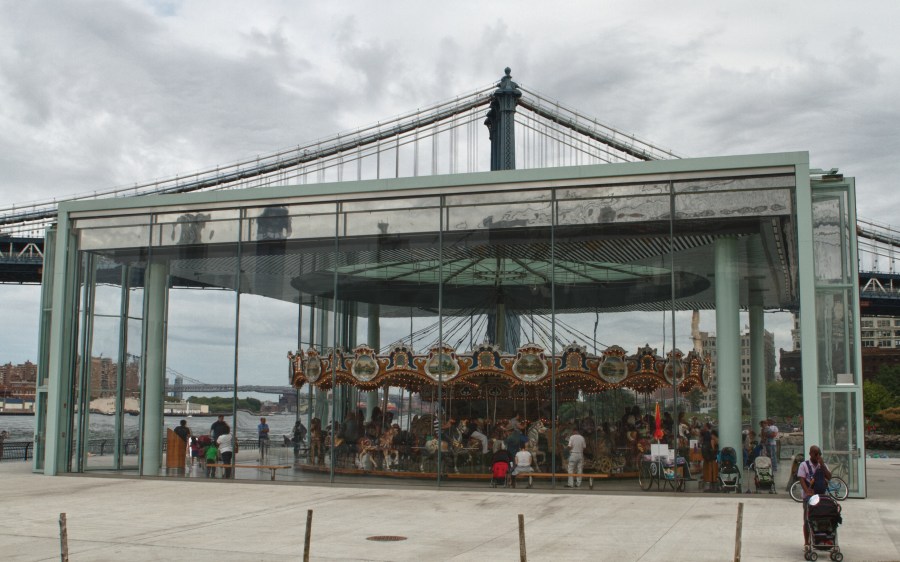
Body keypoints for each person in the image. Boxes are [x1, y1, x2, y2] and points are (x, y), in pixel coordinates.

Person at [797, 445, 832, 547]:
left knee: (821, 518)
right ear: (810, 454)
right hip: (809, 497)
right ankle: (806, 542)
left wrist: (823, 466)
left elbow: (829, 477)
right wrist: (807, 491)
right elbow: (801, 479)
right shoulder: (804, 465)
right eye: (815, 454)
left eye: (819, 454)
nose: (817, 456)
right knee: (807, 519)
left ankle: (821, 539)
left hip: (821, 496)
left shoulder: (823, 465)